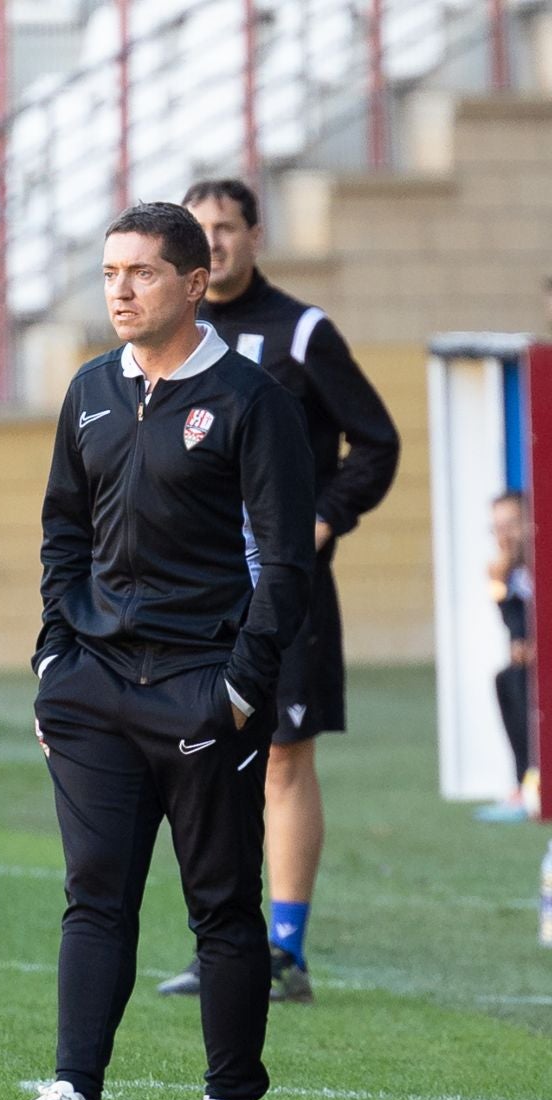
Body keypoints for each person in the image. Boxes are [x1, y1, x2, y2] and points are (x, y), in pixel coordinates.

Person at [0, 202, 314, 1100]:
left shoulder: (252, 402)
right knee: (94, 895)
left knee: (220, 903)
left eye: (143, 273)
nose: (121, 291)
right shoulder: (88, 390)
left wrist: (241, 692)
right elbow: (62, 533)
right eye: (109, 274)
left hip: (203, 691)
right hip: (90, 692)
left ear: (195, 282)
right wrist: (54, 662)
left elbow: (284, 564)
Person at [152, 178, 401, 1004]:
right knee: (204, 757)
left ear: (257, 234)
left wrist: (324, 520)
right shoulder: (172, 338)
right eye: (200, 228)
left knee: (284, 759)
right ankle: (221, 942)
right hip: (193, 595)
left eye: (227, 226)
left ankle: (285, 952)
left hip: (285, 592)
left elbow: (376, 443)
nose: (213, 241)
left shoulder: (301, 332)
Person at [479, 491, 534, 821]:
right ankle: (526, 783)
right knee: (509, 679)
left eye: (512, 524)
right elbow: (512, 623)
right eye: (497, 527)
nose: (505, 534)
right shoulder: (508, 573)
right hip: (531, 664)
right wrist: (499, 582)